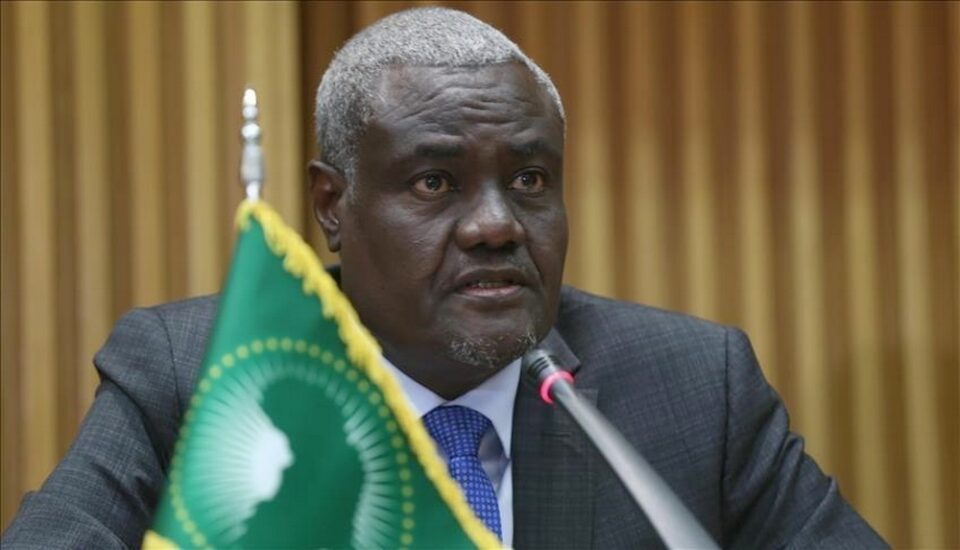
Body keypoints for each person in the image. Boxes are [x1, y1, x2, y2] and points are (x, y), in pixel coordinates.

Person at [3, 7, 885, 549]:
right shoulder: (205, 373)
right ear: (332, 206)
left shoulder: (691, 389)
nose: (497, 225)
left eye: (530, 180)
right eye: (435, 183)